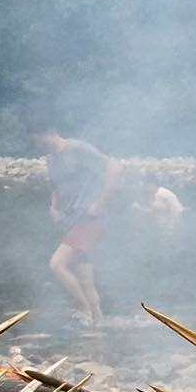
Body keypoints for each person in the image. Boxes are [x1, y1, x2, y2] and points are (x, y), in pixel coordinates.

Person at [30, 129, 119, 326]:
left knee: (57, 264)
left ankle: (83, 308)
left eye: (39, 140)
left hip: (89, 219)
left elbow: (113, 167)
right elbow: (55, 188)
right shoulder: (50, 159)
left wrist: (99, 201)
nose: (38, 146)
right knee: (85, 279)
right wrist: (53, 207)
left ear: (50, 132)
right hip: (70, 221)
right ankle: (98, 323)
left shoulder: (77, 149)